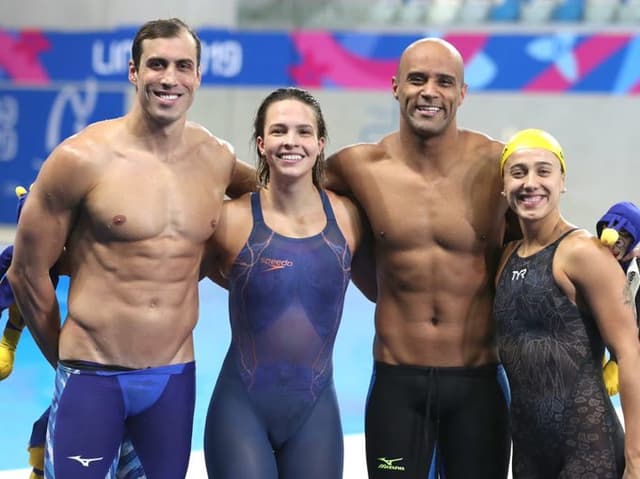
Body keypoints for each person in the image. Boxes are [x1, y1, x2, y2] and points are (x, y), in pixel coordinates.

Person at [7, 17, 255, 479]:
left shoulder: (216, 158)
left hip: (172, 378)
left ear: (198, 76)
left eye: (184, 66)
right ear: (133, 72)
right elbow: (26, 273)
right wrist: (63, 361)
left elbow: (280, 192)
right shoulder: (82, 158)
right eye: (156, 64)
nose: (169, 78)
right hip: (91, 372)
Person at [324, 37, 511, 479]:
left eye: (444, 81)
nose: (429, 91)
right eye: (417, 79)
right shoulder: (357, 167)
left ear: (462, 93)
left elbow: (547, 238)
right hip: (397, 383)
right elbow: (278, 189)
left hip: (479, 382)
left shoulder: (498, 165)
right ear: (394, 87)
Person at [201, 87, 364, 479]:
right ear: (261, 143)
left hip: (316, 413)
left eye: (303, 132)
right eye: (278, 131)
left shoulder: (348, 218)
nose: (291, 141)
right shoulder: (230, 220)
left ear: (320, 143)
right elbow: (167, 278)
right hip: (240, 411)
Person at [494, 128, 640, 478]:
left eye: (544, 171)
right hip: (529, 457)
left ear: (562, 182)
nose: (531, 182)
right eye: (518, 173)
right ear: (503, 187)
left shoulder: (584, 253)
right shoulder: (505, 258)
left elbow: (630, 355)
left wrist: (636, 464)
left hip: (591, 454)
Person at [596, 201, 640, 396]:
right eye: (612, 229)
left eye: (625, 234)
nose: (616, 240)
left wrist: (618, 359)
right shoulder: (589, 259)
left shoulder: (635, 269)